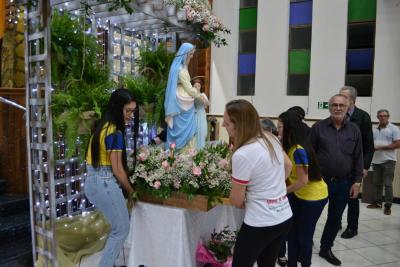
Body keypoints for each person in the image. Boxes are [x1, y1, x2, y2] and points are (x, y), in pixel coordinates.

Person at [224, 99, 293, 267]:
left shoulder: (243, 154)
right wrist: (272, 188)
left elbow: (236, 200)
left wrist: (253, 194)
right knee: (267, 263)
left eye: (226, 123)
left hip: (260, 223)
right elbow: (288, 166)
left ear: (238, 124)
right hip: (284, 215)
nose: (223, 126)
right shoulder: (271, 138)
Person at [85, 88, 139, 267]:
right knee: (122, 230)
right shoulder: (114, 132)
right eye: (128, 110)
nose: (131, 115)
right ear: (118, 108)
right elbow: (117, 170)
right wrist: (132, 191)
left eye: (133, 111)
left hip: (93, 181)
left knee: (117, 228)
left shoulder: (101, 125)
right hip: (105, 182)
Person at [311, 94, 363, 266]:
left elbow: (358, 156)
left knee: (335, 218)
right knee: (311, 215)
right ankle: (304, 243)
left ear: (348, 106)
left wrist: (357, 182)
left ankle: (326, 248)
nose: (338, 108)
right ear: (329, 107)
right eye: (334, 105)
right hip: (320, 181)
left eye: (341, 105)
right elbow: (310, 155)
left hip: (343, 183)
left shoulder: (354, 129)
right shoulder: (318, 128)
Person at [278, 111, 328, 267]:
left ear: (289, 129)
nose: (277, 130)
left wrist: (280, 192)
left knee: (304, 237)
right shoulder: (290, 146)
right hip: (299, 194)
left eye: (280, 127)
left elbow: (302, 181)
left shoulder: (298, 150)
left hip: (314, 197)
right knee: (291, 234)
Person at [339, 86, 374, 239]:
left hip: (355, 166)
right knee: (337, 196)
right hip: (339, 165)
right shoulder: (339, 115)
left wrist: (365, 166)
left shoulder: (363, 117)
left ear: (352, 100)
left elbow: (369, 145)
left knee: (352, 198)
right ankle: (336, 222)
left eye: (344, 97)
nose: (340, 100)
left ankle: (352, 228)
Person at [164, 42, 206, 150]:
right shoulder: (181, 70)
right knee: (185, 129)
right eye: (190, 54)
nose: (191, 57)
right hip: (183, 100)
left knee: (178, 128)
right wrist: (199, 96)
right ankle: (184, 153)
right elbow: (189, 88)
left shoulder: (177, 67)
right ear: (185, 54)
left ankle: (177, 153)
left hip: (179, 99)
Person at [367, 109, 400, 215]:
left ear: (388, 116)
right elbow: (370, 143)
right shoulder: (374, 129)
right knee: (376, 183)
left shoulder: (394, 128)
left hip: (389, 160)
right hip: (376, 161)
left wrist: (382, 147)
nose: (382, 117)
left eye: (384, 116)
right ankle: (377, 203)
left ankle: (388, 206)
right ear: (377, 117)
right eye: (380, 116)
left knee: (388, 184)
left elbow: (397, 144)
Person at [192, 77, 209, 150]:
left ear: (200, 86)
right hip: (195, 114)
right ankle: (194, 150)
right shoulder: (192, 95)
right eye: (195, 86)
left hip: (202, 113)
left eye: (198, 86)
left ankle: (201, 149)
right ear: (192, 87)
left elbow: (208, 104)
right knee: (196, 132)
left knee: (202, 131)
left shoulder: (203, 94)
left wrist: (203, 98)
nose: (197, 87)